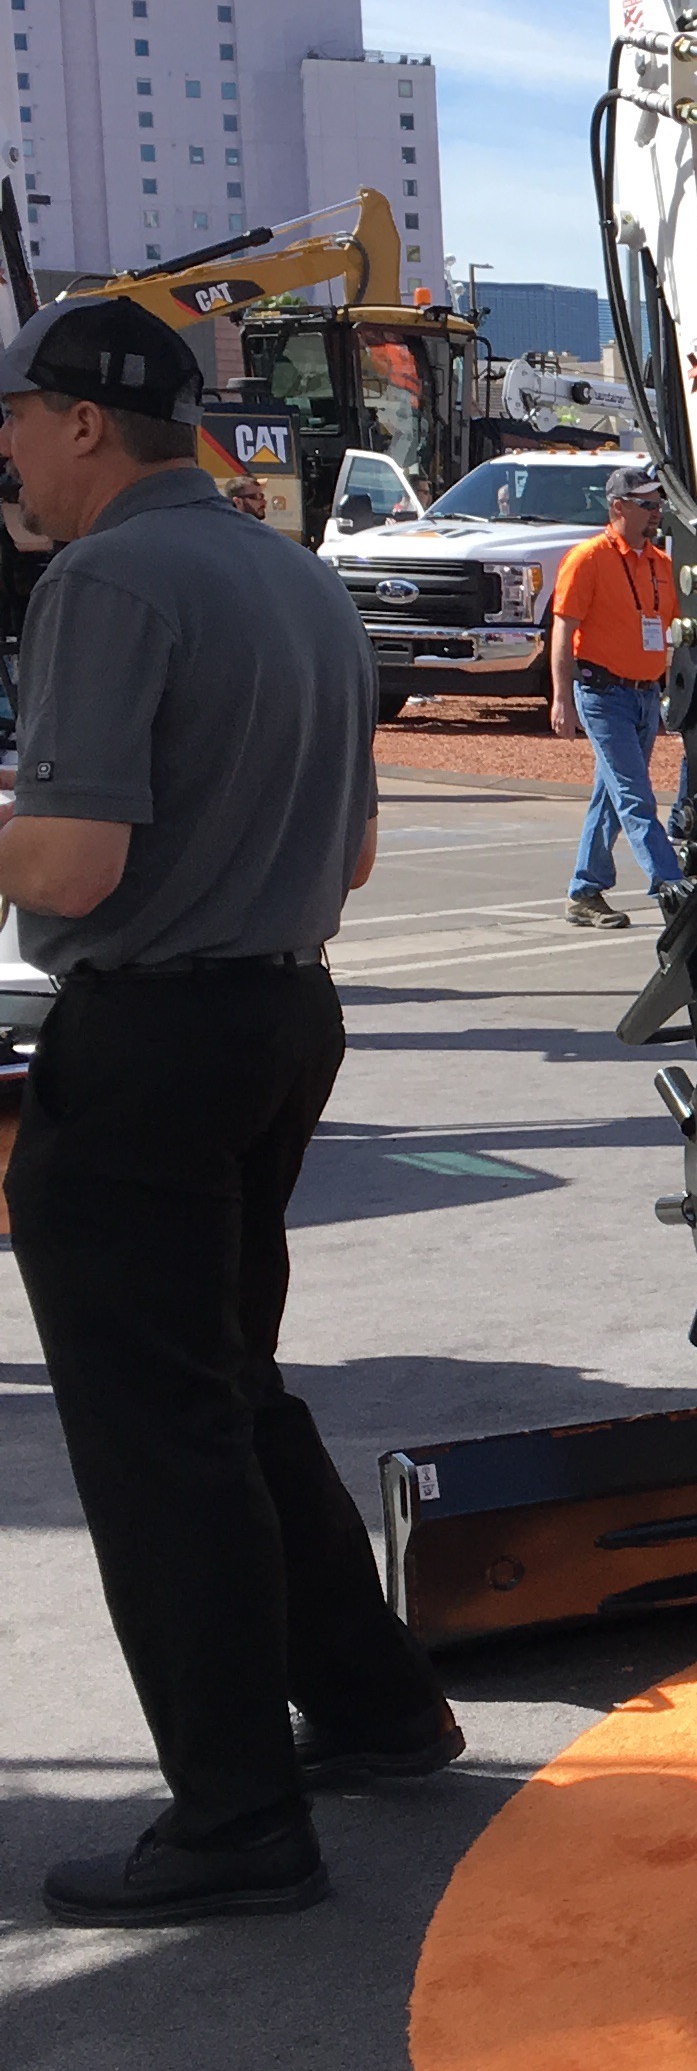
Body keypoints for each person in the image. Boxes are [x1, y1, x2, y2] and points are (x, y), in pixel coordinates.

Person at [0, 295, 460, 1926]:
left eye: (14, 421)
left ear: (75, 421)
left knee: (154, 1433)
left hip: (151, 1037)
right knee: (232, 1386)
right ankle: (374, 1703)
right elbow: (347, 857)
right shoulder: (294, 572)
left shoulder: (109, 578)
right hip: (282, 1009)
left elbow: (69, 865)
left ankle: (235, 1812)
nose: (6, 453)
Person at [549, 459, 684, 928]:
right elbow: (562, 631)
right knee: (634, 795)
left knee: (610, 794)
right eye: (646, 504)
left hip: (645, 695)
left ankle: (585, 892)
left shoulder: (662, 565)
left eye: (658, 504)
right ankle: (670, 886)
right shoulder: (588, 559)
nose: (656, 512)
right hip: (603, 694)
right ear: (618, 507)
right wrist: (561, 698)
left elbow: (677, 627)